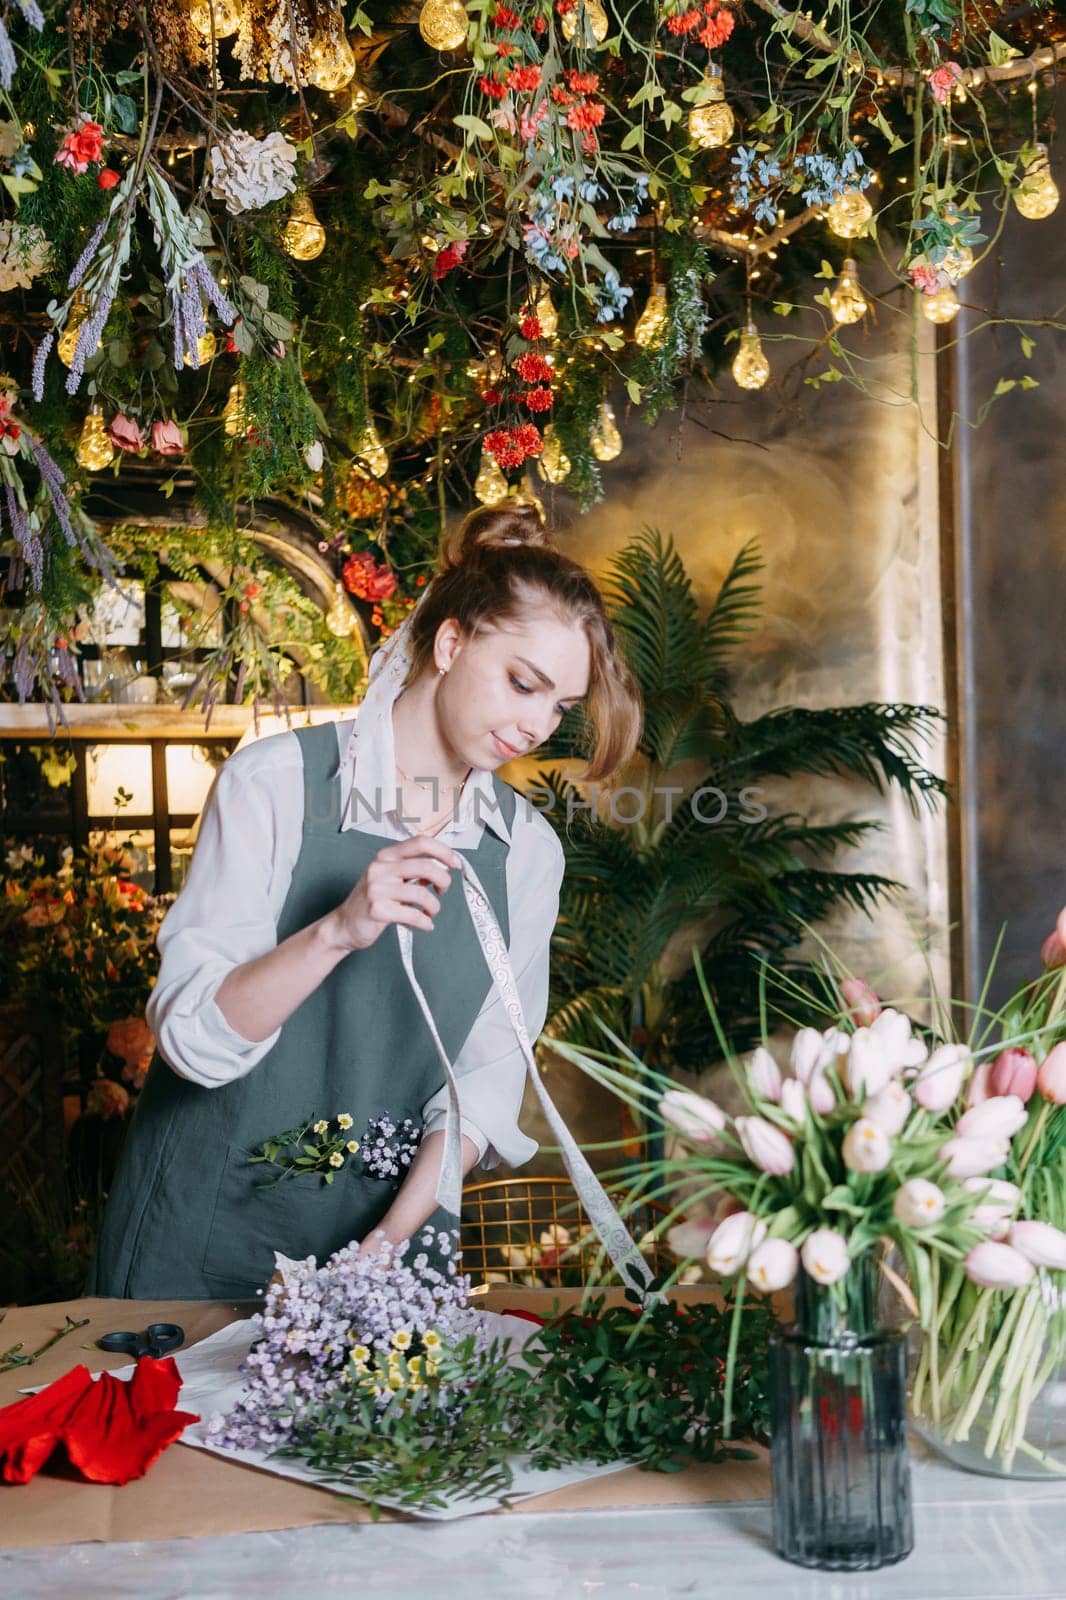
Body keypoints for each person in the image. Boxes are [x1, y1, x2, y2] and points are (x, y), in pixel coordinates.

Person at [87, 501, 643, 1300]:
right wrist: (338, 931)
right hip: (203, 1238)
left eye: (558, 707)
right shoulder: (274, 785)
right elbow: (191, 1041)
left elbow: (481, 1083)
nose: (535, 726)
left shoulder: (525, 852)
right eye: (523, 684)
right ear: (451, 643)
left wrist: (384, 1248)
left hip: (390, 1256)